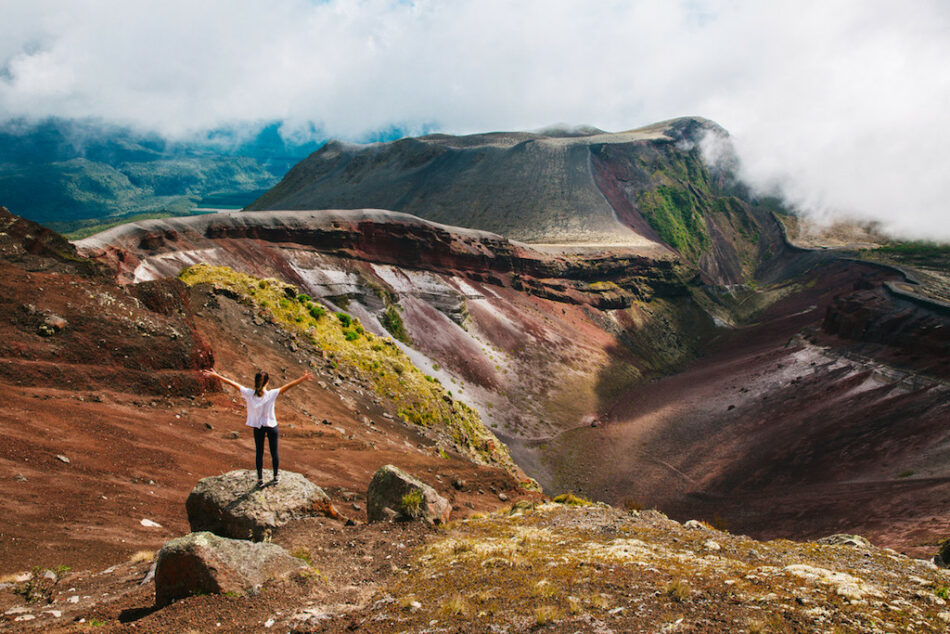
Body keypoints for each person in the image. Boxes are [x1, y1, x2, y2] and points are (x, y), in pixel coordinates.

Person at [203, 368, 312, 487]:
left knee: (259, 453)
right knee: (274, 452)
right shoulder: (271, 394)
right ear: (267, 382)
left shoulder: (249, 394)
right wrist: (303, 379)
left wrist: (217, 376)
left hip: (258, 427)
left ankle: (260, 479)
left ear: (255, 382)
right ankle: (275, 477)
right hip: (271, 425)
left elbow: (233, 383)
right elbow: (288, 386)